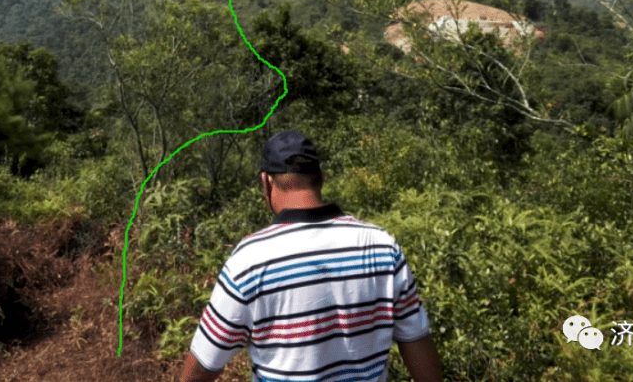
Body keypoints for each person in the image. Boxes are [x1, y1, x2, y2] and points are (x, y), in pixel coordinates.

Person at [179, 130, 444, 382]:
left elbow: (205, 361)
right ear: (321, 178)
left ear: (266, 182)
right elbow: (416, 340)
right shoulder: (382, 246)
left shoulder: (250, 260)